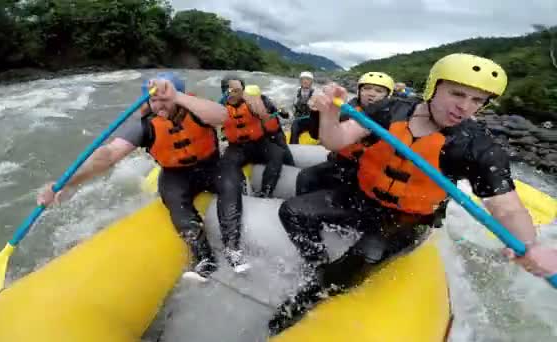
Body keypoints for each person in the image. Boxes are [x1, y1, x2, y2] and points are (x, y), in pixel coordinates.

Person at [270, 53, 557, 333]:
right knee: (292, 211)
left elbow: (506, 207)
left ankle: (313, 294)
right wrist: (330, 115)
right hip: (361, 196)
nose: (465, 107)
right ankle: (316, 261)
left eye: (477, 100)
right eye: (457, 94)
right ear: (434, 87)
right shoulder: (389, 110)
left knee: (367, 254)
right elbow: (335, 141)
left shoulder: (478, 146)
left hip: (408, 218)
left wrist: (530, 245)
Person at [37, 72, 228, 282]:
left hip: (212, 166)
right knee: (175, 203)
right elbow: (108, 156)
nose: (160, 106)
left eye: (166, 100)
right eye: (154, 101)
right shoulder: (145, 125)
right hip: (176, 175)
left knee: (231, 186)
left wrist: (178, 97)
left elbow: (222, 116)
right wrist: (67, 183)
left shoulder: (197, 109)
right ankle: (205, 259)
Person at [216, 77, 289, 272]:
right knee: (228, 169)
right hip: (236, 147)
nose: (232, 93)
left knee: (278, 153)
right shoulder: (217, 108)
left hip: (259, 144)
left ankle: (266, 192)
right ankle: (240, 203)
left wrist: (263, 112)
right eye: (228, 90)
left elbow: (272, 126)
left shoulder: (257, 102)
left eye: (236, 89)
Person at [295, 72, 395, 195]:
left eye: (379, 91)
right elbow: (316, 135)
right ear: (359, 92)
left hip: (368, 170)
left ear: (388, 96)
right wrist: (317, 113)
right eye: (366, 89)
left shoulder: (392, 118)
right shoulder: (348, 109)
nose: (371, 94)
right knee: (305, 176)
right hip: (343, 162)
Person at [289, 71, 316, 144]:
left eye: (308, 79)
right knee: (294, 127)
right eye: (303, 79)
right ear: (300, 81)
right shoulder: (296, 92)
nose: (305, 81)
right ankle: (293, 147)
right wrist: (291, 115)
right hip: (299, 120)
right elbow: (292, 107)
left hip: (312, 120)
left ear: (311, 82)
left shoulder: (316, 93)